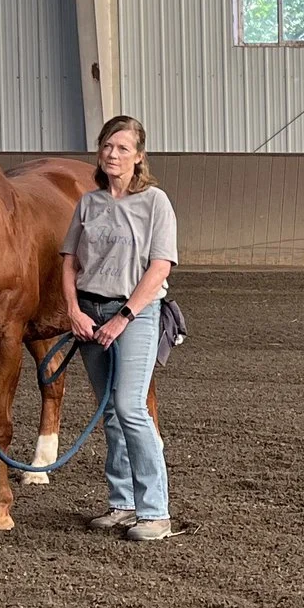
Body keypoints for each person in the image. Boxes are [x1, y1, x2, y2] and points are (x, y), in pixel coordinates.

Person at [61, 114, 179, 543]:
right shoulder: (89, 203)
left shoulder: (155, 203)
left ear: (139, 157)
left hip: (134, 314)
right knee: (110, 411)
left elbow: (160, 266)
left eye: (123, 148)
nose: (113, 154)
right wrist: (73, 310)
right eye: (108, 146)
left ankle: (155, 511)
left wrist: (122, 318)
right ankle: (122, 502)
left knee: (131, 407)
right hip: (89, 314)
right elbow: (69, 261)